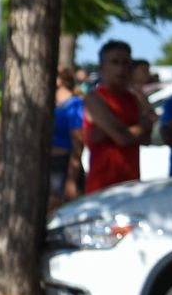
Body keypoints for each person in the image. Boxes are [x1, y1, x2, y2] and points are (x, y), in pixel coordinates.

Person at [83, 39, 156, 193]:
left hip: (130, 183)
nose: (121, 69)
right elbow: (122, 138)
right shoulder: (95, 98)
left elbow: (147, 138)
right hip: (102, 186)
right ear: (102, 68)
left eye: (126, 63)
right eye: (115, 62)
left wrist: (130, 131)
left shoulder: (133, 98)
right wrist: (141, 127)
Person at [50, 65, 86, 210]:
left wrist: (71, 179)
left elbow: (78, 143)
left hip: (64, 166)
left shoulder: (74, 104)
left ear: (59, 81)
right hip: (52, 166)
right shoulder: (57, 106)